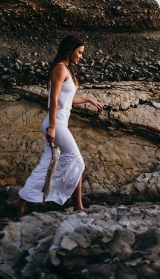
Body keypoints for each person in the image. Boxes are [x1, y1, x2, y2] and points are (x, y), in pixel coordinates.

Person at [14, 35, 102, 216]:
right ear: (70, 50)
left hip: (59, 123)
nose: (81, 56)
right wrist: (52, 127)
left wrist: (87, 99)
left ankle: (20, 201)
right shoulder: (60, 69)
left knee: (49, 164)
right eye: (79, 52)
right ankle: (78, 206)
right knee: (76, 160)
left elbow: (66, 100)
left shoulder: (66, 70)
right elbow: (53, 101)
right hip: (56, 124)